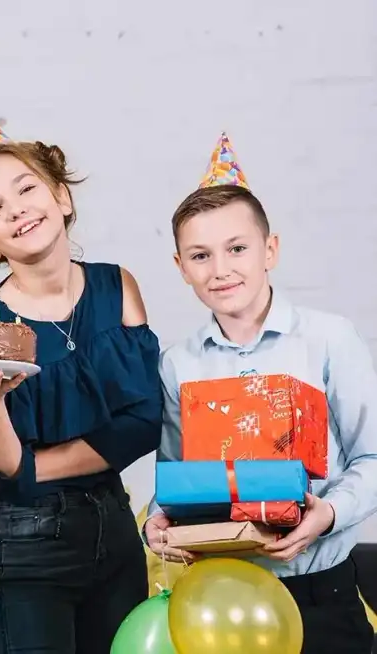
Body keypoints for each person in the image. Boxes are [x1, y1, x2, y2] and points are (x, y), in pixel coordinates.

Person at [0, 100, 162, 653]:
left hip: (115, 530)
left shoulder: (117, 287)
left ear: (61, 196)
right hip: (26, 543)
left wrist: (33, 467)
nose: (17, 210)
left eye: (27, 189)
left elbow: (144, 423)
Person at [143, 133, 377, 654]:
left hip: (323, 594)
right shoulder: (179, 364)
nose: (220, 269)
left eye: (237, 248)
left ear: (270, 250)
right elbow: (179, 476)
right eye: (200, 255)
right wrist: (156, 524)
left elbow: (373, 457)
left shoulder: (329, 339)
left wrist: (328, 514)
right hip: (221, 600)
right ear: (181, 267)